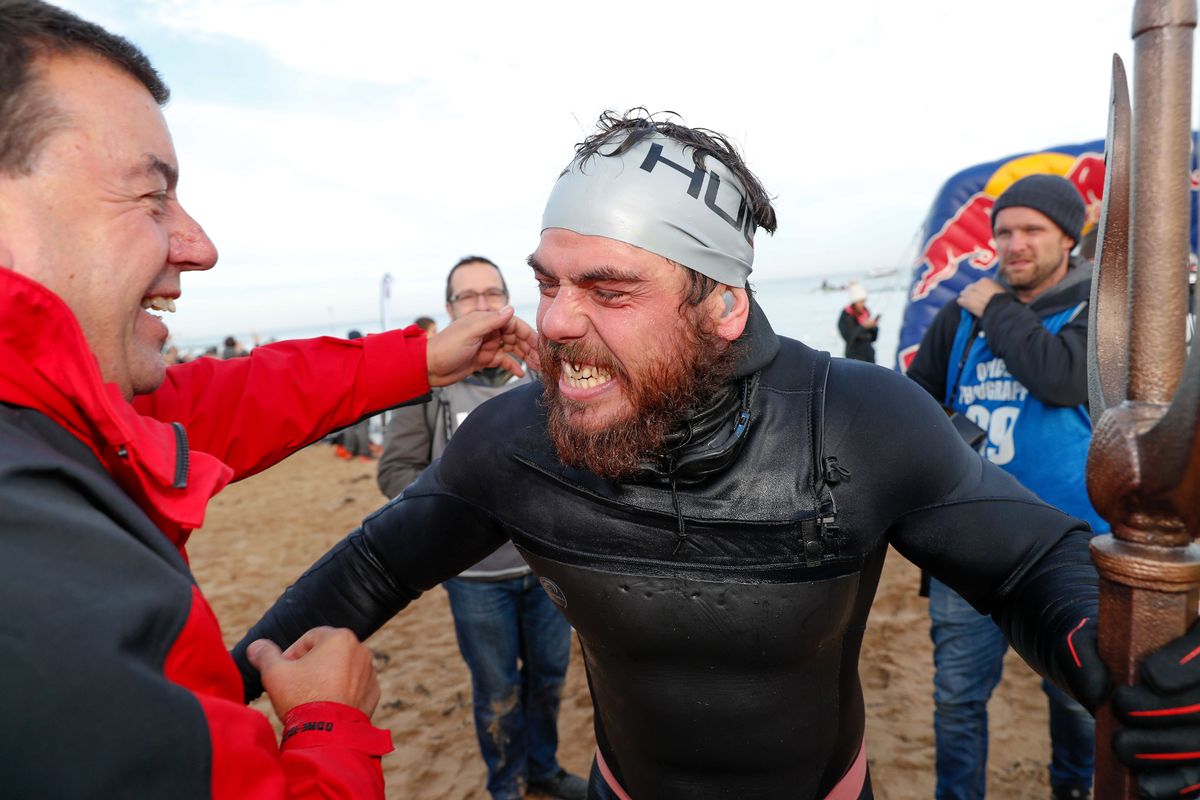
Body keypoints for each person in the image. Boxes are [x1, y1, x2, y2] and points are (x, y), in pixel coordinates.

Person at [236, 112, 1200, 800]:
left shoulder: (858, 421)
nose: (556, 322)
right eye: (550, 282)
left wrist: (1113, 656)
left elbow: (1032, 562)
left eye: (608, 290)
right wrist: (219, 686)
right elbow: (369, 565)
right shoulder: (517, 440)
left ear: (724, 306)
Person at [0, 2, 536, 796]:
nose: (200, 245)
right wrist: (327, 726)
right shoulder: (38, 562)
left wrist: (420, 357)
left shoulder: (56, 416)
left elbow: (229, 400)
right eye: (152, 198)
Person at [906, 174, 1105, 800]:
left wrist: (994, 305)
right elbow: (913, 404)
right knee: (958, 698)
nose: (1013, 244)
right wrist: (946, 430)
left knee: (1079, 698)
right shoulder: (956, 321)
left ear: (1068, 238)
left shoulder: (1095, 310)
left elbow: (1063, 378)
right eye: (1003, 231)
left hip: (1073, 550)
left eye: (1031, 231)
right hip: (968, 547)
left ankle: (1072, 790)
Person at [377, 255, 586, 800]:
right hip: (473, 578)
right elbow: (395, 472)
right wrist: (455, 509)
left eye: (491, 293)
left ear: (507, 301)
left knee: (548, 680)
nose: (481, 304)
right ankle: (506, 785)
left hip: (547, 567)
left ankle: (542, 768)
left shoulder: (543, 374)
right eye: (467, 297)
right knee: (497, 689)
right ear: (449, 311)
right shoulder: (428, 387)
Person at [837, 281, 878, 362]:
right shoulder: (846, 315)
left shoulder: (865, 312)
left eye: (864, 301)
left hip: (868, 354)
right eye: (861, 301)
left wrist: (874, 327)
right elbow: (849, 337)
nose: (863, 304)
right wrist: (863, 326)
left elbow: (873, 338)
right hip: (854, 355)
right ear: (855, 301)